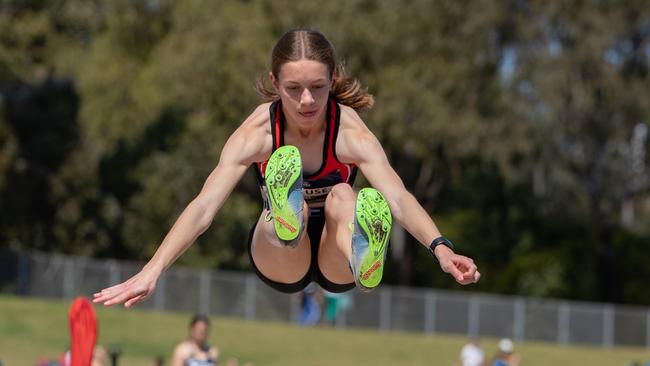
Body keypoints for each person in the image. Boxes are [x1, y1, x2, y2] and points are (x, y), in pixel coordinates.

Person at [93, 28, 480, 308]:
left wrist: (440, 249)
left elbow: (397, 196)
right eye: (294, 88)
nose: (307, 100)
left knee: (347, 196)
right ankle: (285, 213)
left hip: (334, 257)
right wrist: (153, 269)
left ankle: (362, 255)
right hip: (279, 258)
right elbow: (204, 206)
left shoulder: (350, 134)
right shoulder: (257, 133)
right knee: (274, 222)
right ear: (275, 82)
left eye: (318, 87)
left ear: (333, 81)